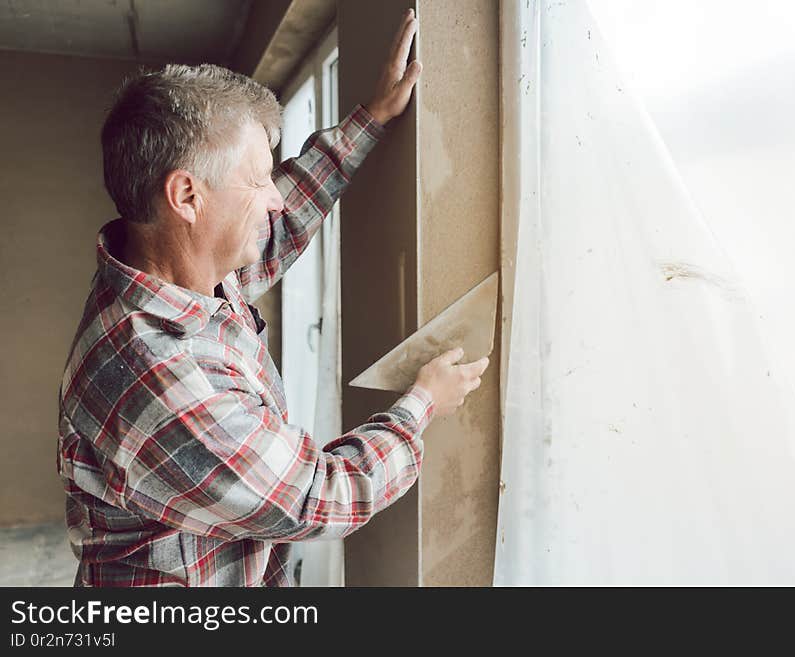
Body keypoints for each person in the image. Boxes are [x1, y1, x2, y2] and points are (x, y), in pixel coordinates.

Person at [57, 9, 488, 587]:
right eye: (257, 178)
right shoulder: (156, 371)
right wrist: (422, 407)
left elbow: (279, 222)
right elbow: (318, 499)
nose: (273, 199)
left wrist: (371, 119)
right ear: (186, 196)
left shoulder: (181, 271)